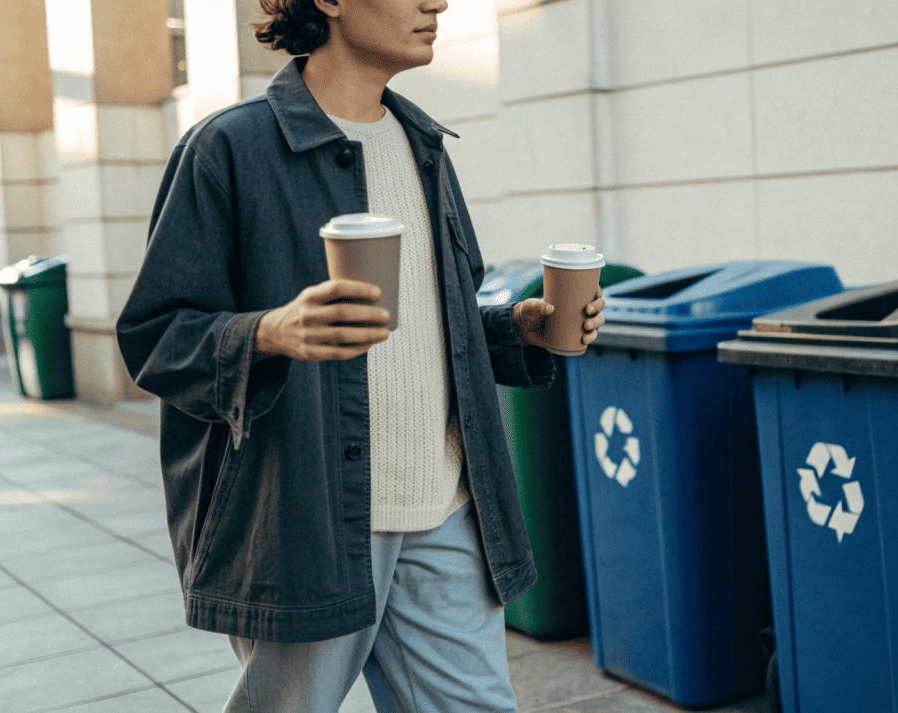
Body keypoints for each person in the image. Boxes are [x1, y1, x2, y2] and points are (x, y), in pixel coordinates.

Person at [115, 0, 605, 710]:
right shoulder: (229, 150)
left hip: (444, 506)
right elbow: (155, 337)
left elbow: (437, 322)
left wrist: (511, 329)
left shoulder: (423, 144)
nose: (436, 3)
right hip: (309, 520)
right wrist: (269, 333)